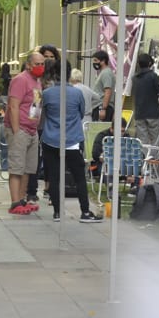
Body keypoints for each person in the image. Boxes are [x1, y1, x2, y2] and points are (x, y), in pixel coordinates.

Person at [40, 62, 103, 223]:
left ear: (53, 74)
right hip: (72, 139)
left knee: (54, 177)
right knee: (79, 177)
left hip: (50, 139)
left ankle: (57, 212)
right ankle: (85, 211)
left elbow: (43, 114)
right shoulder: (77, 93)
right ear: (69, 74)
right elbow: (81, 113)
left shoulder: (46, 93)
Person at [6, 51, 46, 215]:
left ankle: (22, 199)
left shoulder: (37, 81)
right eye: (37, 64)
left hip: (32, 129)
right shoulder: (20, 80)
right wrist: (16, 131)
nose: (41, 67)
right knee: (17, 167)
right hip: (20, 128)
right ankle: (15, 202)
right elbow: (13, 106)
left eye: (43, 64)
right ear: (29, 64)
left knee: (28, 168)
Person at [130, 52, 159, 146]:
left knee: (143, 140)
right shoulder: (152, 76)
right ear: (150, 63)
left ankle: (145, 159)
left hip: (139, 114)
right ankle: (153, 159)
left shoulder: (134, 78)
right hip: (152, 113)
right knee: (156, 139)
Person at [89, 49, 115, 122]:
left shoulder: (106, 73)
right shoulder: (103, 73)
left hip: (101, 107)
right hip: (99, 107)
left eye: (95, 60)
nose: (94, 63)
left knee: (99, 131)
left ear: (103, 61)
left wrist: (103, 109)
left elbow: (108, 91)